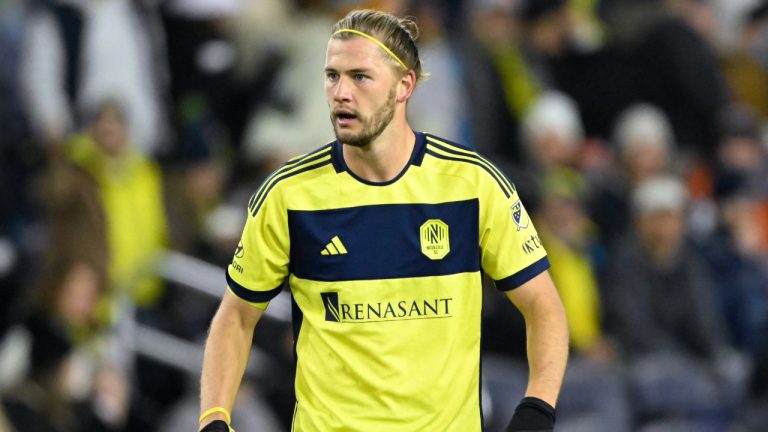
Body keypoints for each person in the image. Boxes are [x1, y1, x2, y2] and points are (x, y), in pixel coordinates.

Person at [199, 9, 569, 432]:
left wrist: (537, 408)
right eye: (332, 76)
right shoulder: (288, 194)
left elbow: (543, 306)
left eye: (360, 77)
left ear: (404, 85)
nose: (341, 93)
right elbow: (235, 318)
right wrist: (214, 418)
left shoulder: (472, 185)